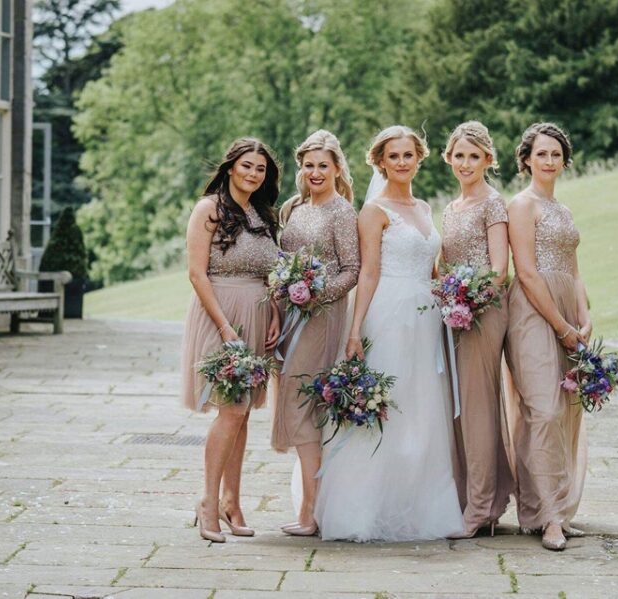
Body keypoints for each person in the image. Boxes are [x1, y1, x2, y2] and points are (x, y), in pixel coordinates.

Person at [314, 125, 464, 541]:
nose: (401, 162)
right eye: (393, 156)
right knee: (389, 404)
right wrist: (355, 330)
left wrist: (454, 294)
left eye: (408, 155)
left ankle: (420, 509)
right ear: (381, 162)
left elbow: (434, 269)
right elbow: (369, 271)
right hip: (389, 312)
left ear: (419, 158)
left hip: (426, 317)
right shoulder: (374, 211)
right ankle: (361, 510)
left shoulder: (426, 208)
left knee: (422, 410)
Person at [181, 137, 281, 542]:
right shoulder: (209, 210)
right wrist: (224, 327)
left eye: (260, 169)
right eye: (246, 166)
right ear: (230, 168)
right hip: (220, 316)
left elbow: (270, 271)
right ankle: (207, 500)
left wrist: (274, 310)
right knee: (232, 410)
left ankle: (232, 501)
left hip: (257, 317)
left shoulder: (260, 213)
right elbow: (196, 274)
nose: (253, 174)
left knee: (242, 414)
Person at [504, 122, 591, 551]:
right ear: (526, 160)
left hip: (568, 310)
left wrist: (585, 315)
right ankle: (546, 516)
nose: (550, 161)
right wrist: (560, 325)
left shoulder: (565, 210)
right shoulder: (521, 205)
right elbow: (525, 271)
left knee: (567, 409)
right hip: (532, 312)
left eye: (556, 154)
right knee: (543, 408)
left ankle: (558, 505)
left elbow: (573, 269)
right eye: (542, 154)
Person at [271, 130, 360, 536]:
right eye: (309, 165)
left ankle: (310, 512)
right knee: (296, 404)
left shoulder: (342, 213)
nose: (316, 172)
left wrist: (318, 293)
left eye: (323, 165)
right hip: (291, 317)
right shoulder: (294, 208)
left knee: (302, 406)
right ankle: (312, 505)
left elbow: (351, 269)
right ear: (301, 169)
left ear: (337, 168)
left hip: (322, 318)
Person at [440, 121, 514, 538]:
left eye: (474, 156)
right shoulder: (451, 208)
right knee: (459, 410)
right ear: (449, 158)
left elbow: (499, 270)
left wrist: (470, 300)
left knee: (478, 406)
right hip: (453, 313)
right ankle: (468, 497)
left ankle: (480, 509)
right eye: (459, 155)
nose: (465, 163)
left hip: (483, 312)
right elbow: (445, 265)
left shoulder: (493, 204)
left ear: (488, 159)